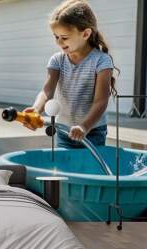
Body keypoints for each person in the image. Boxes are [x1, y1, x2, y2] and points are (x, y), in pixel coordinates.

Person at [23, 0, 118, 148]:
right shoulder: (57, 60)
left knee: (89, 169)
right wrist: (36, 109)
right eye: (56, 37)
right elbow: (47, 91)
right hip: (64, 130)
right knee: (65, 167)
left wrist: (84, 127)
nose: (59, 42)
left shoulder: (101, 61)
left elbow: (101, 101)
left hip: (93, 131)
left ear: (86, 33)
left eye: (64, 37)